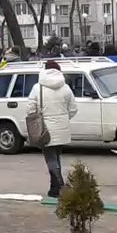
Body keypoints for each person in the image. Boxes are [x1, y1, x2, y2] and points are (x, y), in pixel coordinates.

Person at [27, 60, 77, 198]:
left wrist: (37, 118)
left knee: (50, 158)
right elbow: (73, 109)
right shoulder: (65, 87)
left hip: (45, 129)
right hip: (62, 129)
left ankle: (59, 184)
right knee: (56, 157)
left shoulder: (38, 88)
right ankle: (54, 188)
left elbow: (30, 108)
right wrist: (63, 119)